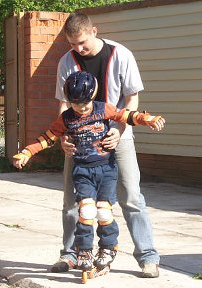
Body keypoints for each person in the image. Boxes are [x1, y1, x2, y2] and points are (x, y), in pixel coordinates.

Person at [13, 71, 165, 275]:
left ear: (93, 96)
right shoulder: (66, 118)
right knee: (86, 211)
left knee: (103, 211)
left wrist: (148, 119)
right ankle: (83, 251)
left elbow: (127, 115)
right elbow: (48, 137)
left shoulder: (103, 109)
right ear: (70, 101)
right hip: (82, 171)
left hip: (106, 170)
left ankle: (108, 247)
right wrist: (27, 152)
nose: (82, 108)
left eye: (85, 103)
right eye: (76, 104)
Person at [51, 12, 164, 279]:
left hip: (118, 137)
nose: (77, 49)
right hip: (79, 142)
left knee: (132, 197)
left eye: (81, 43)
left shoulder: (121, 54)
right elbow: (64, 104)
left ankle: (148, 257)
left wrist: (118, 128)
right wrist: (62, 137)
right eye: (72, 44)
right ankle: (70, 255)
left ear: (94, 31)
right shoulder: (66, 61)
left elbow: (131, 100)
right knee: (72, 200)